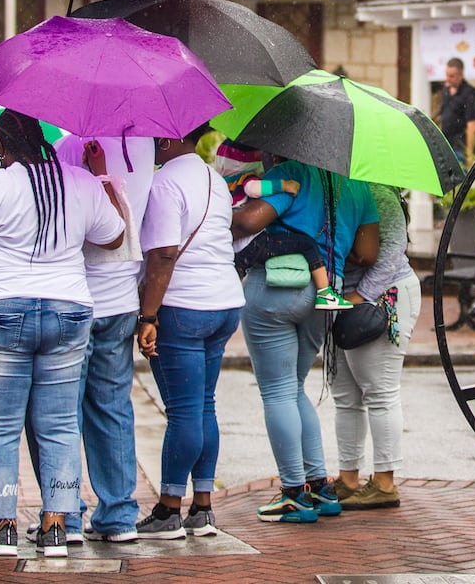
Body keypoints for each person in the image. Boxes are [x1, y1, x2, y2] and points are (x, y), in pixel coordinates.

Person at [0, 111, 125, 558]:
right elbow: (114, 235)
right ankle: (55, 525)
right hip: (68, 308)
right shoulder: (78, 183)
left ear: (1, 147)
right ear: (42, 140)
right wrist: (99, 177)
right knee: (61, 424)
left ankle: (4, 525)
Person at [231, 160, 378, 524]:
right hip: (328, 292)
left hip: (277, 286)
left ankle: (294, 493)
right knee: (294, 388)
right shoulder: (359, 185)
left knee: (278, 392)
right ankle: (319, 486)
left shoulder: (291, 173)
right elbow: (369, 252)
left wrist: (226, 209)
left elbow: (249, 222)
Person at [34, 132, 155, 545]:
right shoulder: (145, 145)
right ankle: (119, 515)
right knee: (113, 407)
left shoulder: (71, 147)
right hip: (122, 298)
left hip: (79, 294)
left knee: (64, 412)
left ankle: (65, 516)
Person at [132, 125, 242, 539]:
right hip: (224, 301)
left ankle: (167, 510)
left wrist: (148, 316)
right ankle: (202, 506)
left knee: (181, 410)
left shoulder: (164, 182)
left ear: (166, 139)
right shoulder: (214, 177)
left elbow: (162, 254)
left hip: (183, 305)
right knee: (203, 405)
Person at [330, 184, 419, 511]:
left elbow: (393, 247)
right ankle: (348, 478)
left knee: (379, 391)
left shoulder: (378, 190)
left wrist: (362, 294)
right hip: (345, 299)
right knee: (346, 396)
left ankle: (384, 482)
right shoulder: (335, 186)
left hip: (384, 296)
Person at [215, 139, 350, 309]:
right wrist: (284, 185)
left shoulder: (222, 183)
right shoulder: (250, 178)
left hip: (238, 249)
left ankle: (225, 299)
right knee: (307, 244)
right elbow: (253, 191)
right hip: (256, 244)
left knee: (236, 275)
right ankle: (325, 293)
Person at [438, 58, 475, 167]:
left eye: (452, 76)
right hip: (446, 145)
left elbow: (472, 125)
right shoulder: (446, 91)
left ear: (460, 75)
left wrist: (469, 154)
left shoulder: (469, 94)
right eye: (447, 75)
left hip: (460, 148)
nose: (448, 79)